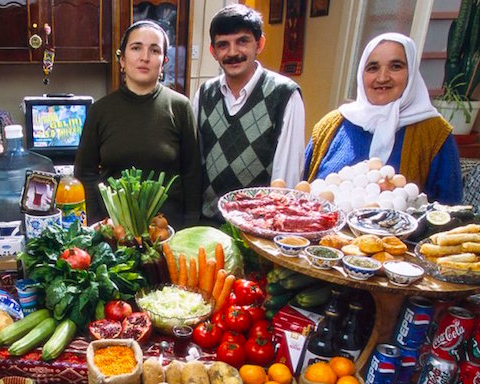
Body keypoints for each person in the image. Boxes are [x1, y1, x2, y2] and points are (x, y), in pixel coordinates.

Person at [304, 32, 462, 203]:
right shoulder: (330, 126)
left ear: (411, 73)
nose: (382, 77)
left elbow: (449, 211)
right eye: (373, 68)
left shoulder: (435, 133)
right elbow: (302, 190)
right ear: (361, 74)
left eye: (396, 66)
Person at [74, 20, 201, 229]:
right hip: (115, 232)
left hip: (168, 232)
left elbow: (192, 174)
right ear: (122, 59)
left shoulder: (180, 107)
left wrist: (190, 229)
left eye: (154, 50)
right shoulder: (100, 110)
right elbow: (85, 173)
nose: (145, 57)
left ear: (164, 62)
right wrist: (97, 225)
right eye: (136, 48)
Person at [194, 4, 305, 221]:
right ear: (213, 52)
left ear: (260, 43)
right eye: (223, 45)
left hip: (256, 232)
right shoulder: (204, 94)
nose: (233, 52)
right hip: (208, 225)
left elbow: (287, 178)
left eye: (242, 41)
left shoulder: (284, 95)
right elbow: (196, 163)